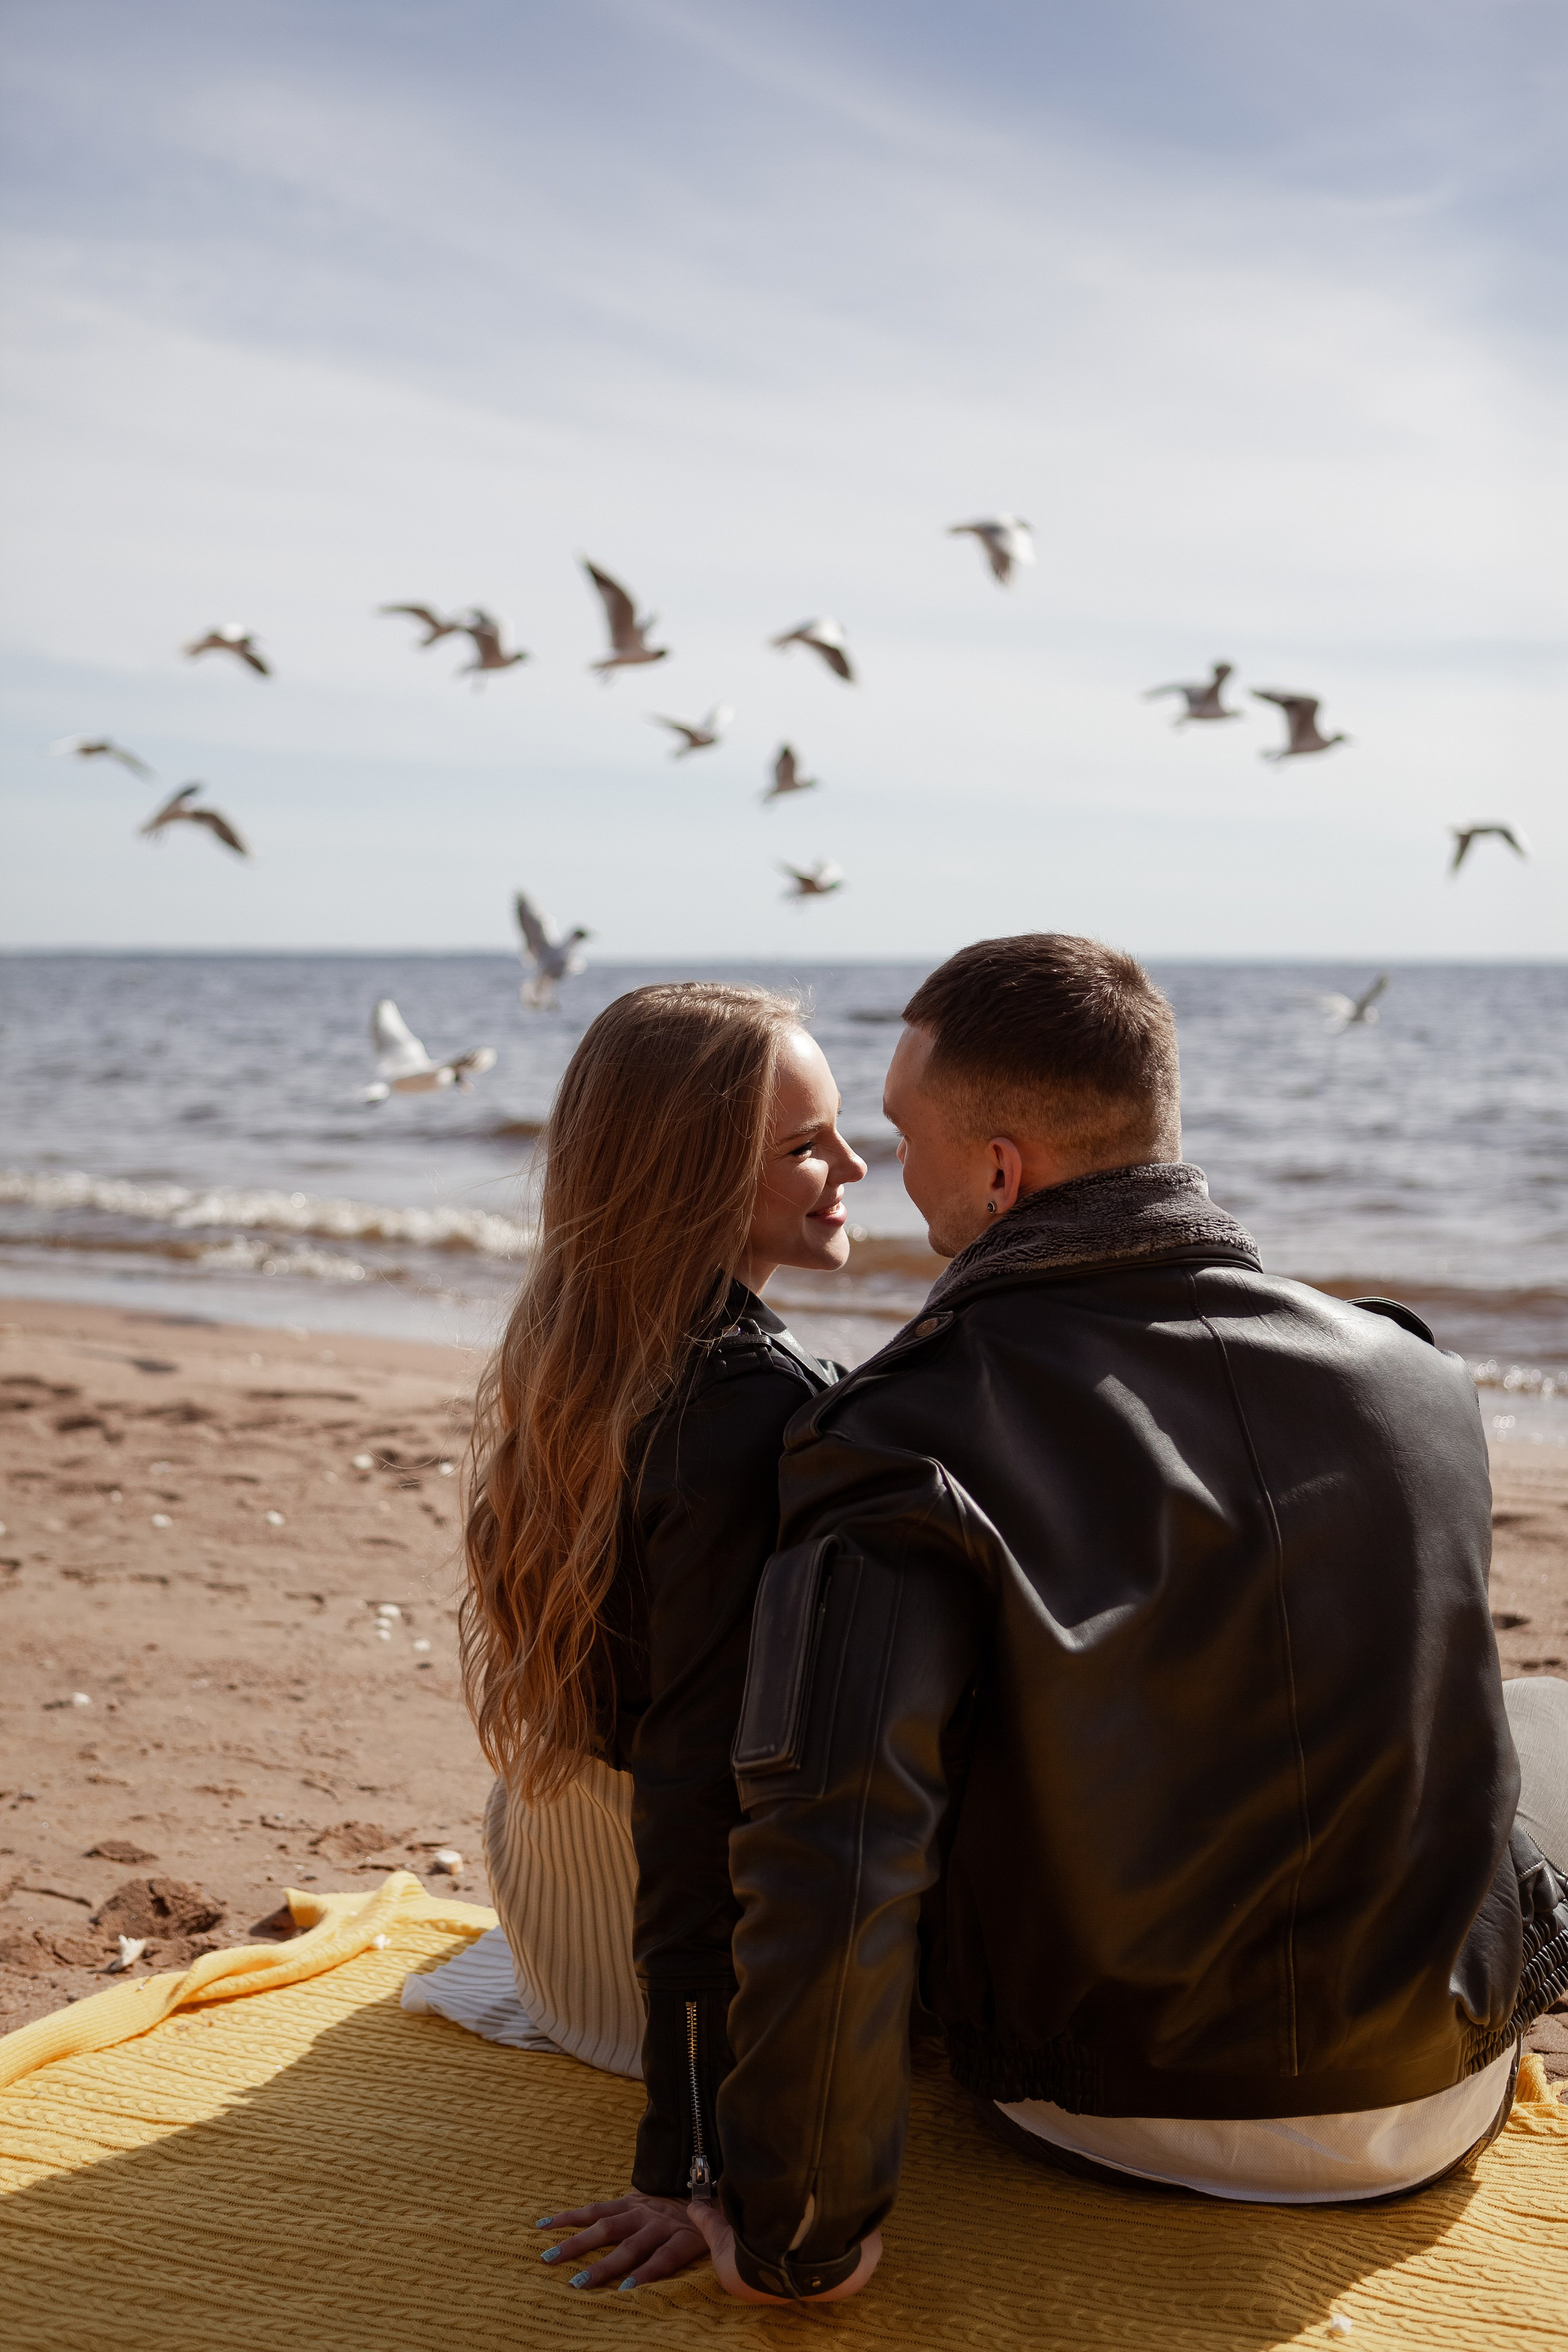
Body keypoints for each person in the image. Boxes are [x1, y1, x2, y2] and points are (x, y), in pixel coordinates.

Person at [680, 932, 1568, 2305]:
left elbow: (840, 1837)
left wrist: (796, 2223)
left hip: (1109, 2103)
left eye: (905, 1133)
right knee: (1517, 1725)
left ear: (997, 1167)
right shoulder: (1414, 1380)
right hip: (1438, 2088)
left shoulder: (899, 1429)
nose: (888, 1171)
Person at [459, 980, 865, 2287]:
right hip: (643, 1986)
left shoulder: (572, 1341)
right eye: (806, 1146)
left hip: (551, 1895)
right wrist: (691, 2165)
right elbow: (700, 1790)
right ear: (696, 1180)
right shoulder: (754, 1411)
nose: (854, 1168)